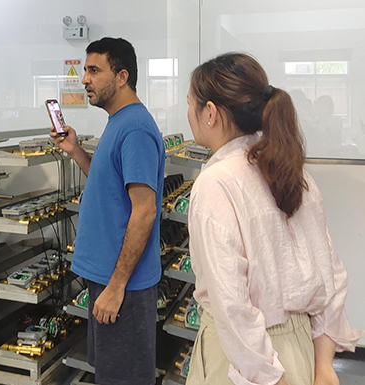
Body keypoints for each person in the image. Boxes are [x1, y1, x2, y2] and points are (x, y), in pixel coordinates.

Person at [184, 53, 362, 385]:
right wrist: (323, 364)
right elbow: (331, 274)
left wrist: (269, 377)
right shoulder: (293, 172)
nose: (189, 115)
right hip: (301, 347)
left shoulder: (216, 182)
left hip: (243, 361)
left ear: (210, 113)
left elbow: (231, 305)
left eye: (190, 104)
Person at [50, 37, 165, 385]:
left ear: (121, 76)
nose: (84, 79)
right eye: (85, 70)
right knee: (112, 374)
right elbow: (111, 185)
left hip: (124, 288)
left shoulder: (136, 129)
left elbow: (144, 212)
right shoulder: (118, 122)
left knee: (124, 378)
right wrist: (75, 151)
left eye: (94, 70)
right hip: (109, 280)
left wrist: (116, 288)